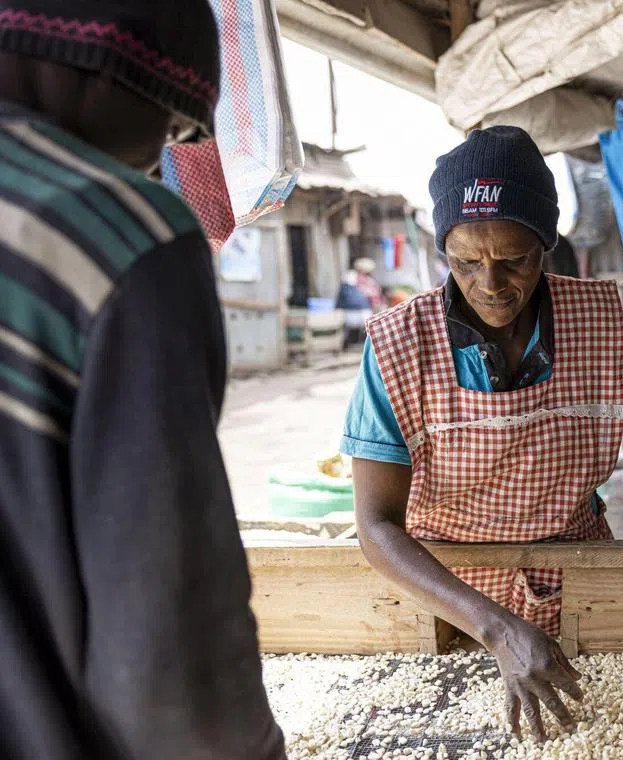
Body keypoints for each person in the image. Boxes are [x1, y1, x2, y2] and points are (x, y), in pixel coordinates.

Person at [341, 126, 623, 742]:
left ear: (545, 244)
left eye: (514, 259)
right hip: (447, 597)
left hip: (578, 572)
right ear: (441, 251)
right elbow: (376, 528)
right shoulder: (399, 343)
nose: (491, 283)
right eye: (465, 262)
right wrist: (498, 628)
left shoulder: (597, 317)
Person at [0, 2, 284, 758]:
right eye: (178, 131)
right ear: (116, 71)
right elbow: (170, 656)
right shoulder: (116, 232)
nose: (160, 161)